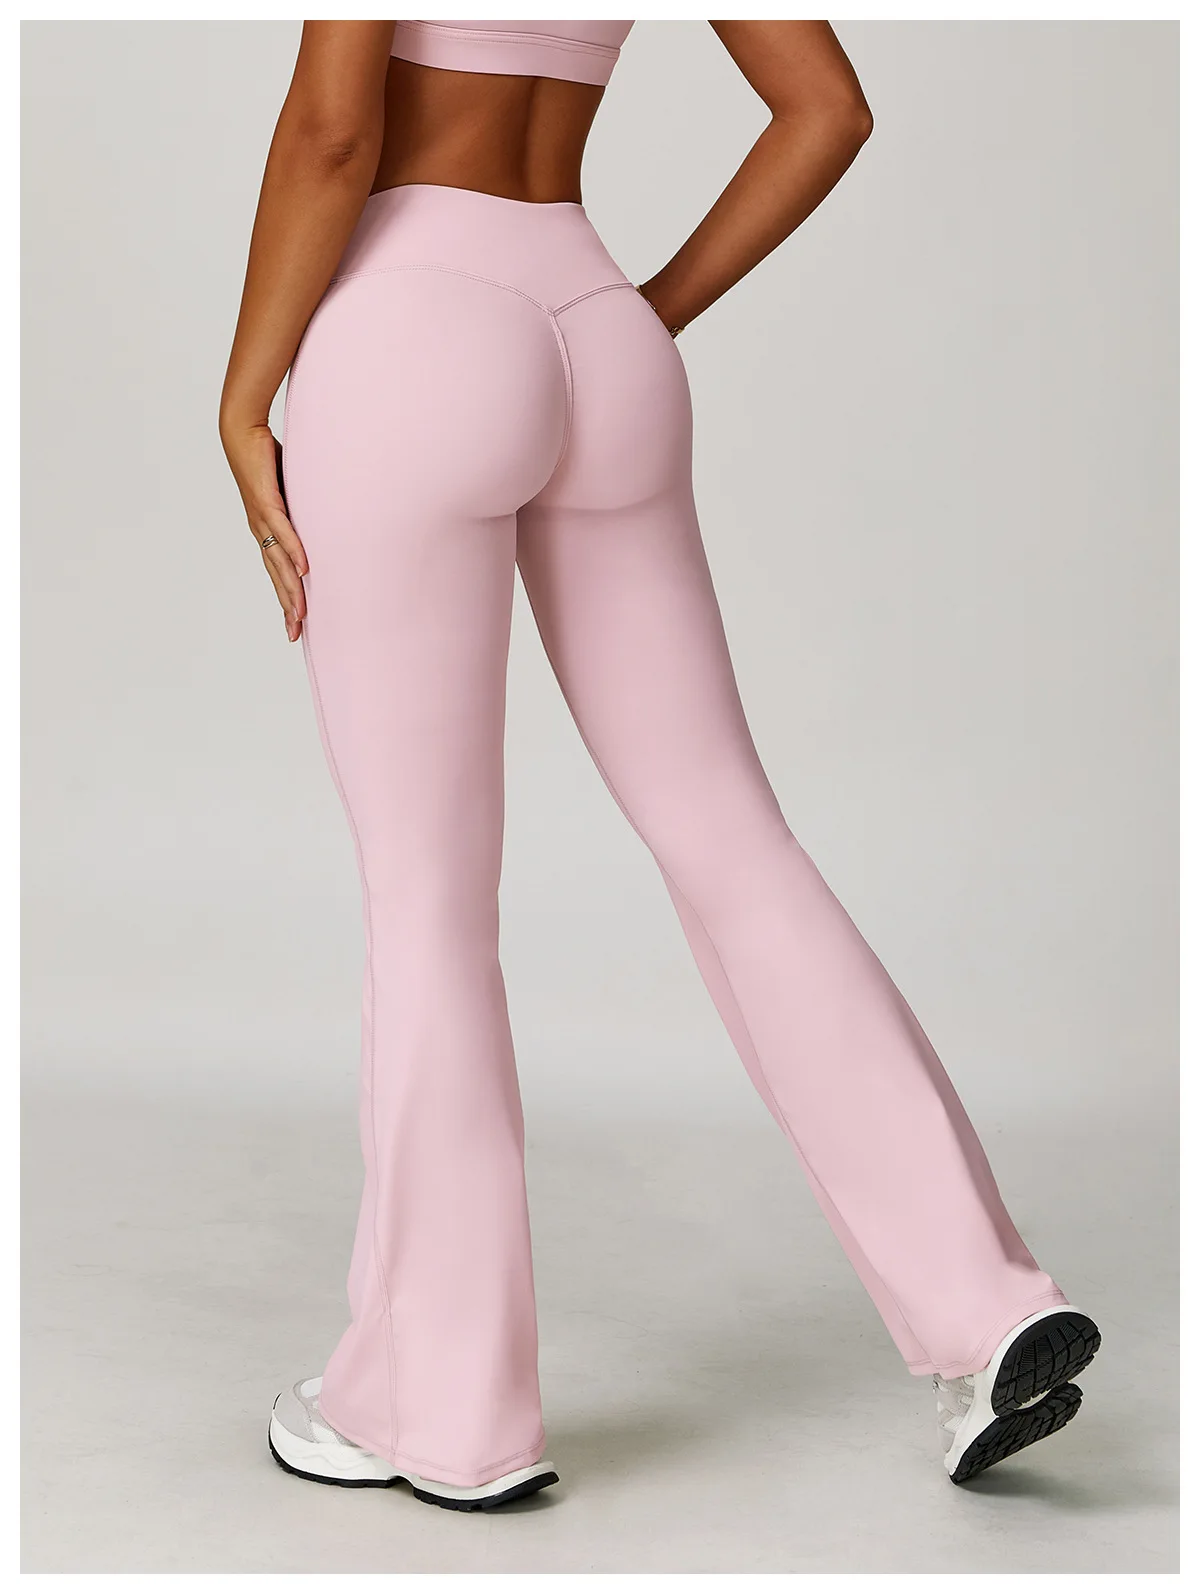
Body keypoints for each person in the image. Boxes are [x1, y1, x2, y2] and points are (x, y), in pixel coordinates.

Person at [220, 19, 1100, 1513]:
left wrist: (245, 396)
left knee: (428, 896)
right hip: (594, 321)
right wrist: (639, 317)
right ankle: (986, 1301)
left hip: (409, 327)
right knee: (734, 838)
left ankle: (445, 1409)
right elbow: (826, 109)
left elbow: (333, 133)